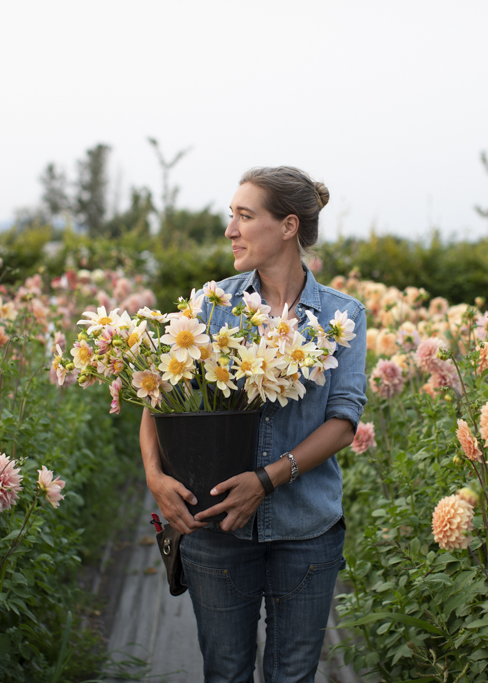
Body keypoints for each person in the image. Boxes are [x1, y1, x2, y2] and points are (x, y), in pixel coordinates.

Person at [138, 166, 368, 683]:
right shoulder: (212, 306)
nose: (231, 230)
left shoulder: (340, 316)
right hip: (217, 531)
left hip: (305, 530)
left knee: (292, 677)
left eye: (245, 216)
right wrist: (154, 476)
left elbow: (344, 420)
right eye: (231, 216)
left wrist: (267, 480)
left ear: (288, 226)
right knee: (226, 674)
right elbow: (157, 400)